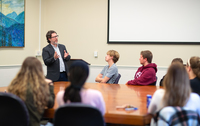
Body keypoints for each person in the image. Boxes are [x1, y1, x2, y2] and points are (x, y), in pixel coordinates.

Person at [7, 57, 55, 126]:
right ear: (39, 70)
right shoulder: (38, 89)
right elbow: (50, 103)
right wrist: (50, 85)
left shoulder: (14, 86)